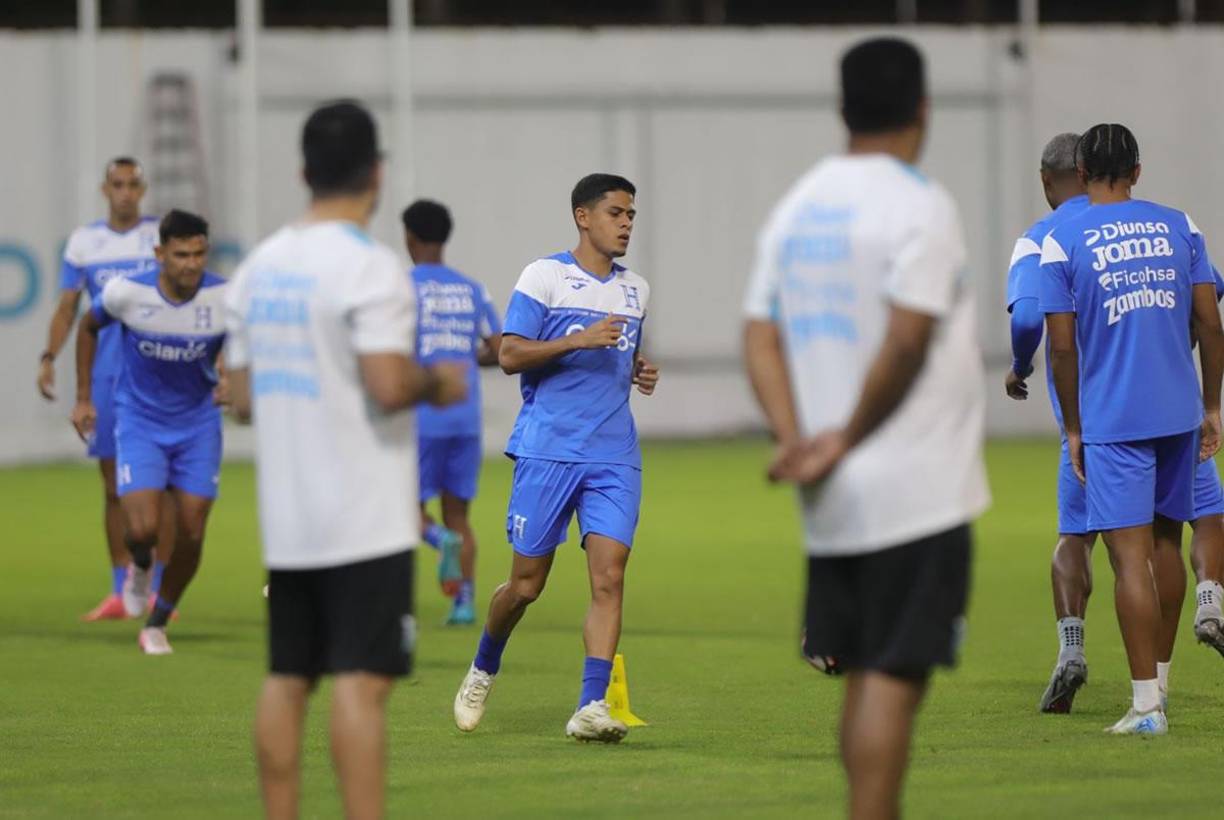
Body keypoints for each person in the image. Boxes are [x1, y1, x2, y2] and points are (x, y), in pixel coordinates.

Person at [743, 37, 990, 820]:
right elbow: (908, 339)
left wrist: (795, 438)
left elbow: (759, 333)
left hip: (832, 499)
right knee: (892, 678)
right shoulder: (921, 204)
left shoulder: (798, 204)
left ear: (842, 106)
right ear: (923, 106)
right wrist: (847, 436)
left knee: (860, 672)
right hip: (916, 487)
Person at [225, 100, 466, 820]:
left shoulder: (259, 268)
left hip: (290, 519)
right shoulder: (370, 267)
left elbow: (240, 398)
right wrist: (439, 381)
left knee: (288, 677)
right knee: (363, 682)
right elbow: (389, 385)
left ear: (304, 172)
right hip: (364, 517)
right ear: (377, 174)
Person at [1006, 134, 1224, 714]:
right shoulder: (1177, 224)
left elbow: (1041, 331)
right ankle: (1176, 658)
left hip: (1104, 418)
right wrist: (1209, 402)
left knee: (1100, 546)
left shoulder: (1049, 239)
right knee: (1173, 538)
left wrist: (1035, 384)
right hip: (1178, 410)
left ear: (1069, 176)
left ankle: (1095, 665)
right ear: (1137, 170)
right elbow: (1210, 313)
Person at [452, 172, 660, 743]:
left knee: (610, 577)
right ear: (582, 217)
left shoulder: (636, 289)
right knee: (525, 586)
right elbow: (509, 354)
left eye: (631, 215)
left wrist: (638, 370)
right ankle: (483, 667)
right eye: (616, 213)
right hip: (548, 450)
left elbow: (622, 354)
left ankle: (591, 705)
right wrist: (576, 339)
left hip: (613, 453)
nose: (626, 224)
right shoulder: (543, 276)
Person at [71, 209, 227, 654]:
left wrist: (232, 377)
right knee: (142, 530)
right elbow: (88, 327)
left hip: (197, 424)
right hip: (140, 420)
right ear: (160, 254)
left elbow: (242, 345)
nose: (191, 264)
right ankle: (139, 566)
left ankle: (157, 623)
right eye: (181, 255)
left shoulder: (225, 297)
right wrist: (83, 397)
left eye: (198, 254)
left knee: (192, 530)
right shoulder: (127, 293)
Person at [39, 157, 174, 621]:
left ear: (143, 189)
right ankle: (121, 589)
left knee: (163, 488)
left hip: (156, 374)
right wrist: (48, 357)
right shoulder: (84, 242)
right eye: (118, 184)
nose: (125, 192)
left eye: (133, 184)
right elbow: (67, 309)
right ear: (105, 189)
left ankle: (158, 588)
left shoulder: (160, 236)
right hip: (105, 376)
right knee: (114, 486)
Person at [402, 198, 503, 625]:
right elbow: (499, 349)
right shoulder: (472, 288)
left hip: (421, 416)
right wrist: (463, 357)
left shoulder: (402, 286)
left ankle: (438, 539)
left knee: (402, 509)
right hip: (466, 415)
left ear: (409, 238)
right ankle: (463, 603)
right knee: (459, 513)